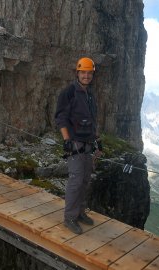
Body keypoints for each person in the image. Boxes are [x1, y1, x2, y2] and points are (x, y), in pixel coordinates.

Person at [55, 57, 103, 234]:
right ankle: (70, 217)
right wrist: (67, 140)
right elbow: (60, 118)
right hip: (75, 142)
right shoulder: (69, 92)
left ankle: (80, 212)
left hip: (88, 143)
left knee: (85, 179)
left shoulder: (89, 95)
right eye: (84, 72)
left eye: (90, 73)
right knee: (76, 180)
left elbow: (91, 120)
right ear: (77, 73)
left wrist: (98, 141)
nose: (87, 76)